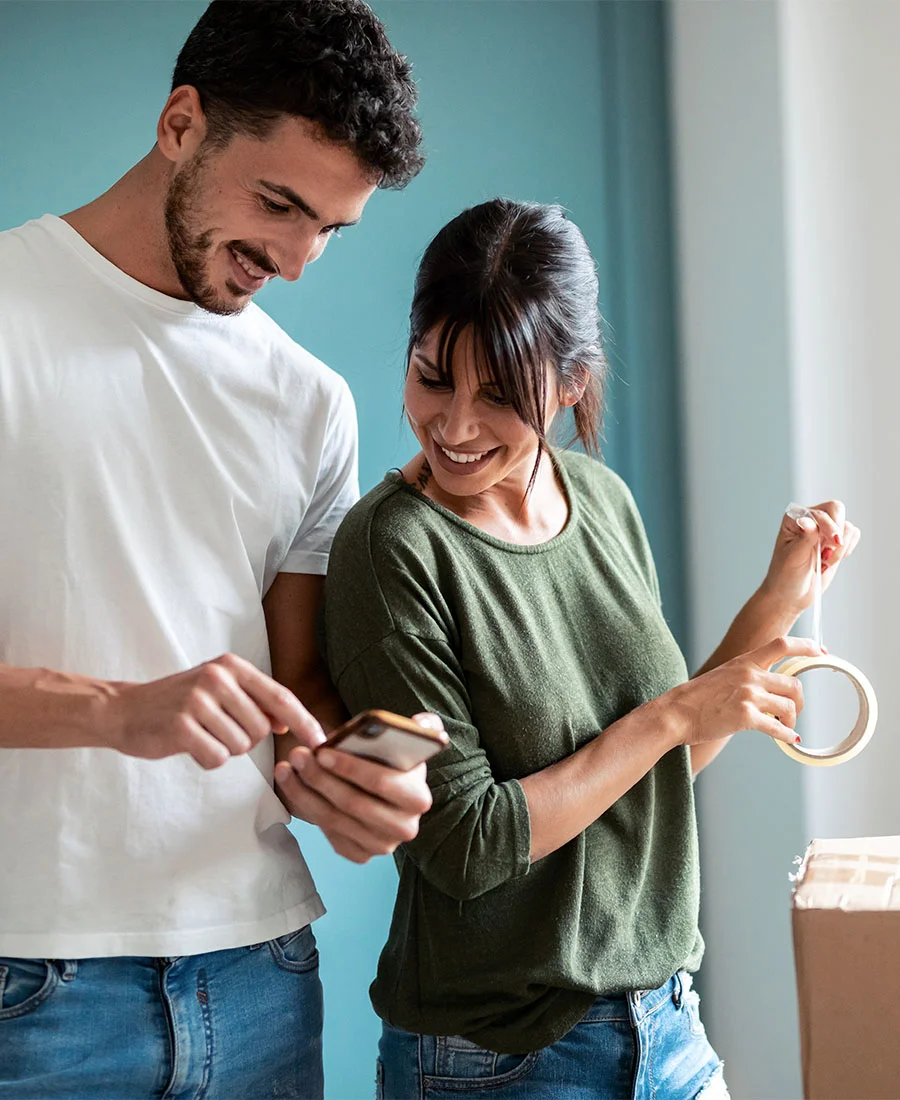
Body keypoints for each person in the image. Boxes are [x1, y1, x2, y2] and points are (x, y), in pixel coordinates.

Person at [322, 198, 860, 1098]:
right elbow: (466, 843)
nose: (454, 424)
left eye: (498, 393)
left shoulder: (602, 502)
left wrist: (778, 602)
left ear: (571, 382)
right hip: (498, 1061)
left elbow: (654, 770)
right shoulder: (391, 549)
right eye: (430, 376)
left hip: (668, 1027)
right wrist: (673, 712)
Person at [0, 3, 434, 1097]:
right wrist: (112, 709)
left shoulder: (309, 403)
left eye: (329, 229)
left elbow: (297, 689)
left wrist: (348, 781)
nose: (292, 260)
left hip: (259, 971)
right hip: (31, 979)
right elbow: (138, 704)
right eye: (279, 203)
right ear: (182, 122)